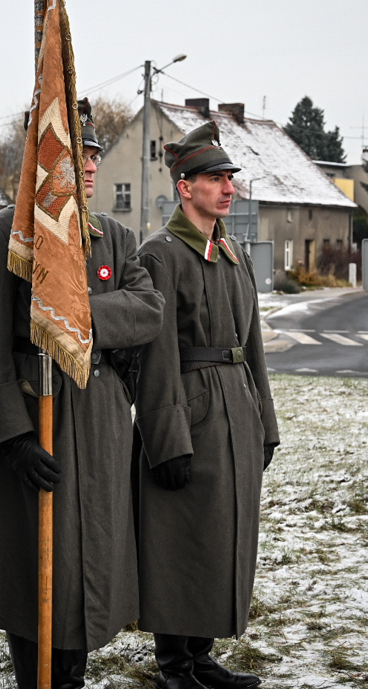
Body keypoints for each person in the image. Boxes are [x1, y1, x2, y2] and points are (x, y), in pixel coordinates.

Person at [0, 100, 164, 688]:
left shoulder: (111, 235)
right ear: (44, 161)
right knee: (38, 577)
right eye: (78, 154)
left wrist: (69, 308)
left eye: (94, 153)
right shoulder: (3, 236)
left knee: (90, 567)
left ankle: (70, 673)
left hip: (101, 429)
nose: (90, 165)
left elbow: (147, 311)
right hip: (36, 424)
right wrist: (10, 436)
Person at [133, 122, 277, 689]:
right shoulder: (160, 256)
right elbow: (157, 354)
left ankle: (201, 655)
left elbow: (254, 345)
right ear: (184, 186)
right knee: (183, 538)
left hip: (236, 408)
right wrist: (166, 439)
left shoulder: (233, 252)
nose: (227, 188)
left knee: (225, 535)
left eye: (229, 178)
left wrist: (265, 421)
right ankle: (174, 665)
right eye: (215, 179)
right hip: (190, 410)